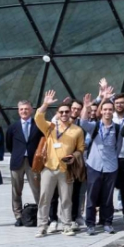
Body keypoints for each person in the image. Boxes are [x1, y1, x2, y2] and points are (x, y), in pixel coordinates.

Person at [32, 90, 84, 238]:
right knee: (44, 198)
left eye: (67, 112)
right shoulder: (50, 127)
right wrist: (45, 104)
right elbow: (38, 117)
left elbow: (80, 149)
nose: (64, 114)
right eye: (61, 112)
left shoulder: (77, 130)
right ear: (58, 113)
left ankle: (67, 226)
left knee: (66, 199)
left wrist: (74, 156)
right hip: (49, 167)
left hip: (66, 169)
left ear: (71, 113)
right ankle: (42, 226)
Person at [79, 97, 121, 235]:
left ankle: (107, 222)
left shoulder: (117, 128)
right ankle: (90, 224)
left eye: (110, 109)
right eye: (105, 109)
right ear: (101, 111)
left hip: (111, 166)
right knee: (91, 196)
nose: (108, 112)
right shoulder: (95, 126)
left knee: (108, 197)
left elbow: (119, 147)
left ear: (113, 111)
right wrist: (86, 107)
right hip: (94, 165)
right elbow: (83, 122)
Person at [3, 101, 41, 227]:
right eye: (21, 109)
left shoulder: (38, 125)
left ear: (31, 110)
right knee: (16, 190)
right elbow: (9, 144)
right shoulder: (13, 127)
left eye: (26, 109)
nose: (24, 111)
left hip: (33, 162)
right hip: (17, 162)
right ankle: (18, 216)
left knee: (37, 189)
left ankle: (42, 215)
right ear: (18, 111)